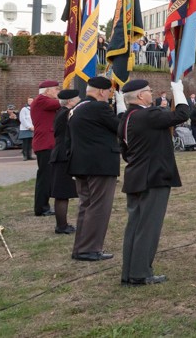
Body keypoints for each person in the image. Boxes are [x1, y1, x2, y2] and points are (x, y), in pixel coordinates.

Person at [118, 79, 191, 286]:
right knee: (148, 227)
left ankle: (130, 272)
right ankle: (141, 273)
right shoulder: (148, 114)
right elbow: (182, 115)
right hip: (153, 177)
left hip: (136, 175)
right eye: (149, 91)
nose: (152, 93)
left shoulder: (126, 117)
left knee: (135, 226)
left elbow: (125, 151)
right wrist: (179, 92)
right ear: (141, 96)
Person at [68, 76, 119, 261]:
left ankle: (81, 248)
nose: (109, 96)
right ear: (101, 92)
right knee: (99, 207)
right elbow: (120, 127)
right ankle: (90, 248)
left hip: (81, 163)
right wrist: (120, 110)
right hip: (100, 164)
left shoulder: (77, 108)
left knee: (86, 206)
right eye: (109, 92)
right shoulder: (100, 107)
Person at [50, 89, 81, 234]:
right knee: (62, 193)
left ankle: (62, 225)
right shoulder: (67, 113)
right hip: (63, 155)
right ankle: (61, 226)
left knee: (63, 193)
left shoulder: (62, 112)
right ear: (70, 101)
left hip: (60, 154)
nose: (79, 99)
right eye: (77, 98)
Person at [31, 82, 62, 217]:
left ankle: (43, 206)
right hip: (45, 144)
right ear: (47, 91)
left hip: (47, 143)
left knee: (47, 177)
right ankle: (41, 208)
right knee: (45, 177)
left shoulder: (42, 101)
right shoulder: (41, 100)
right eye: (56, 89)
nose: (58, 91)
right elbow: (60, 103)